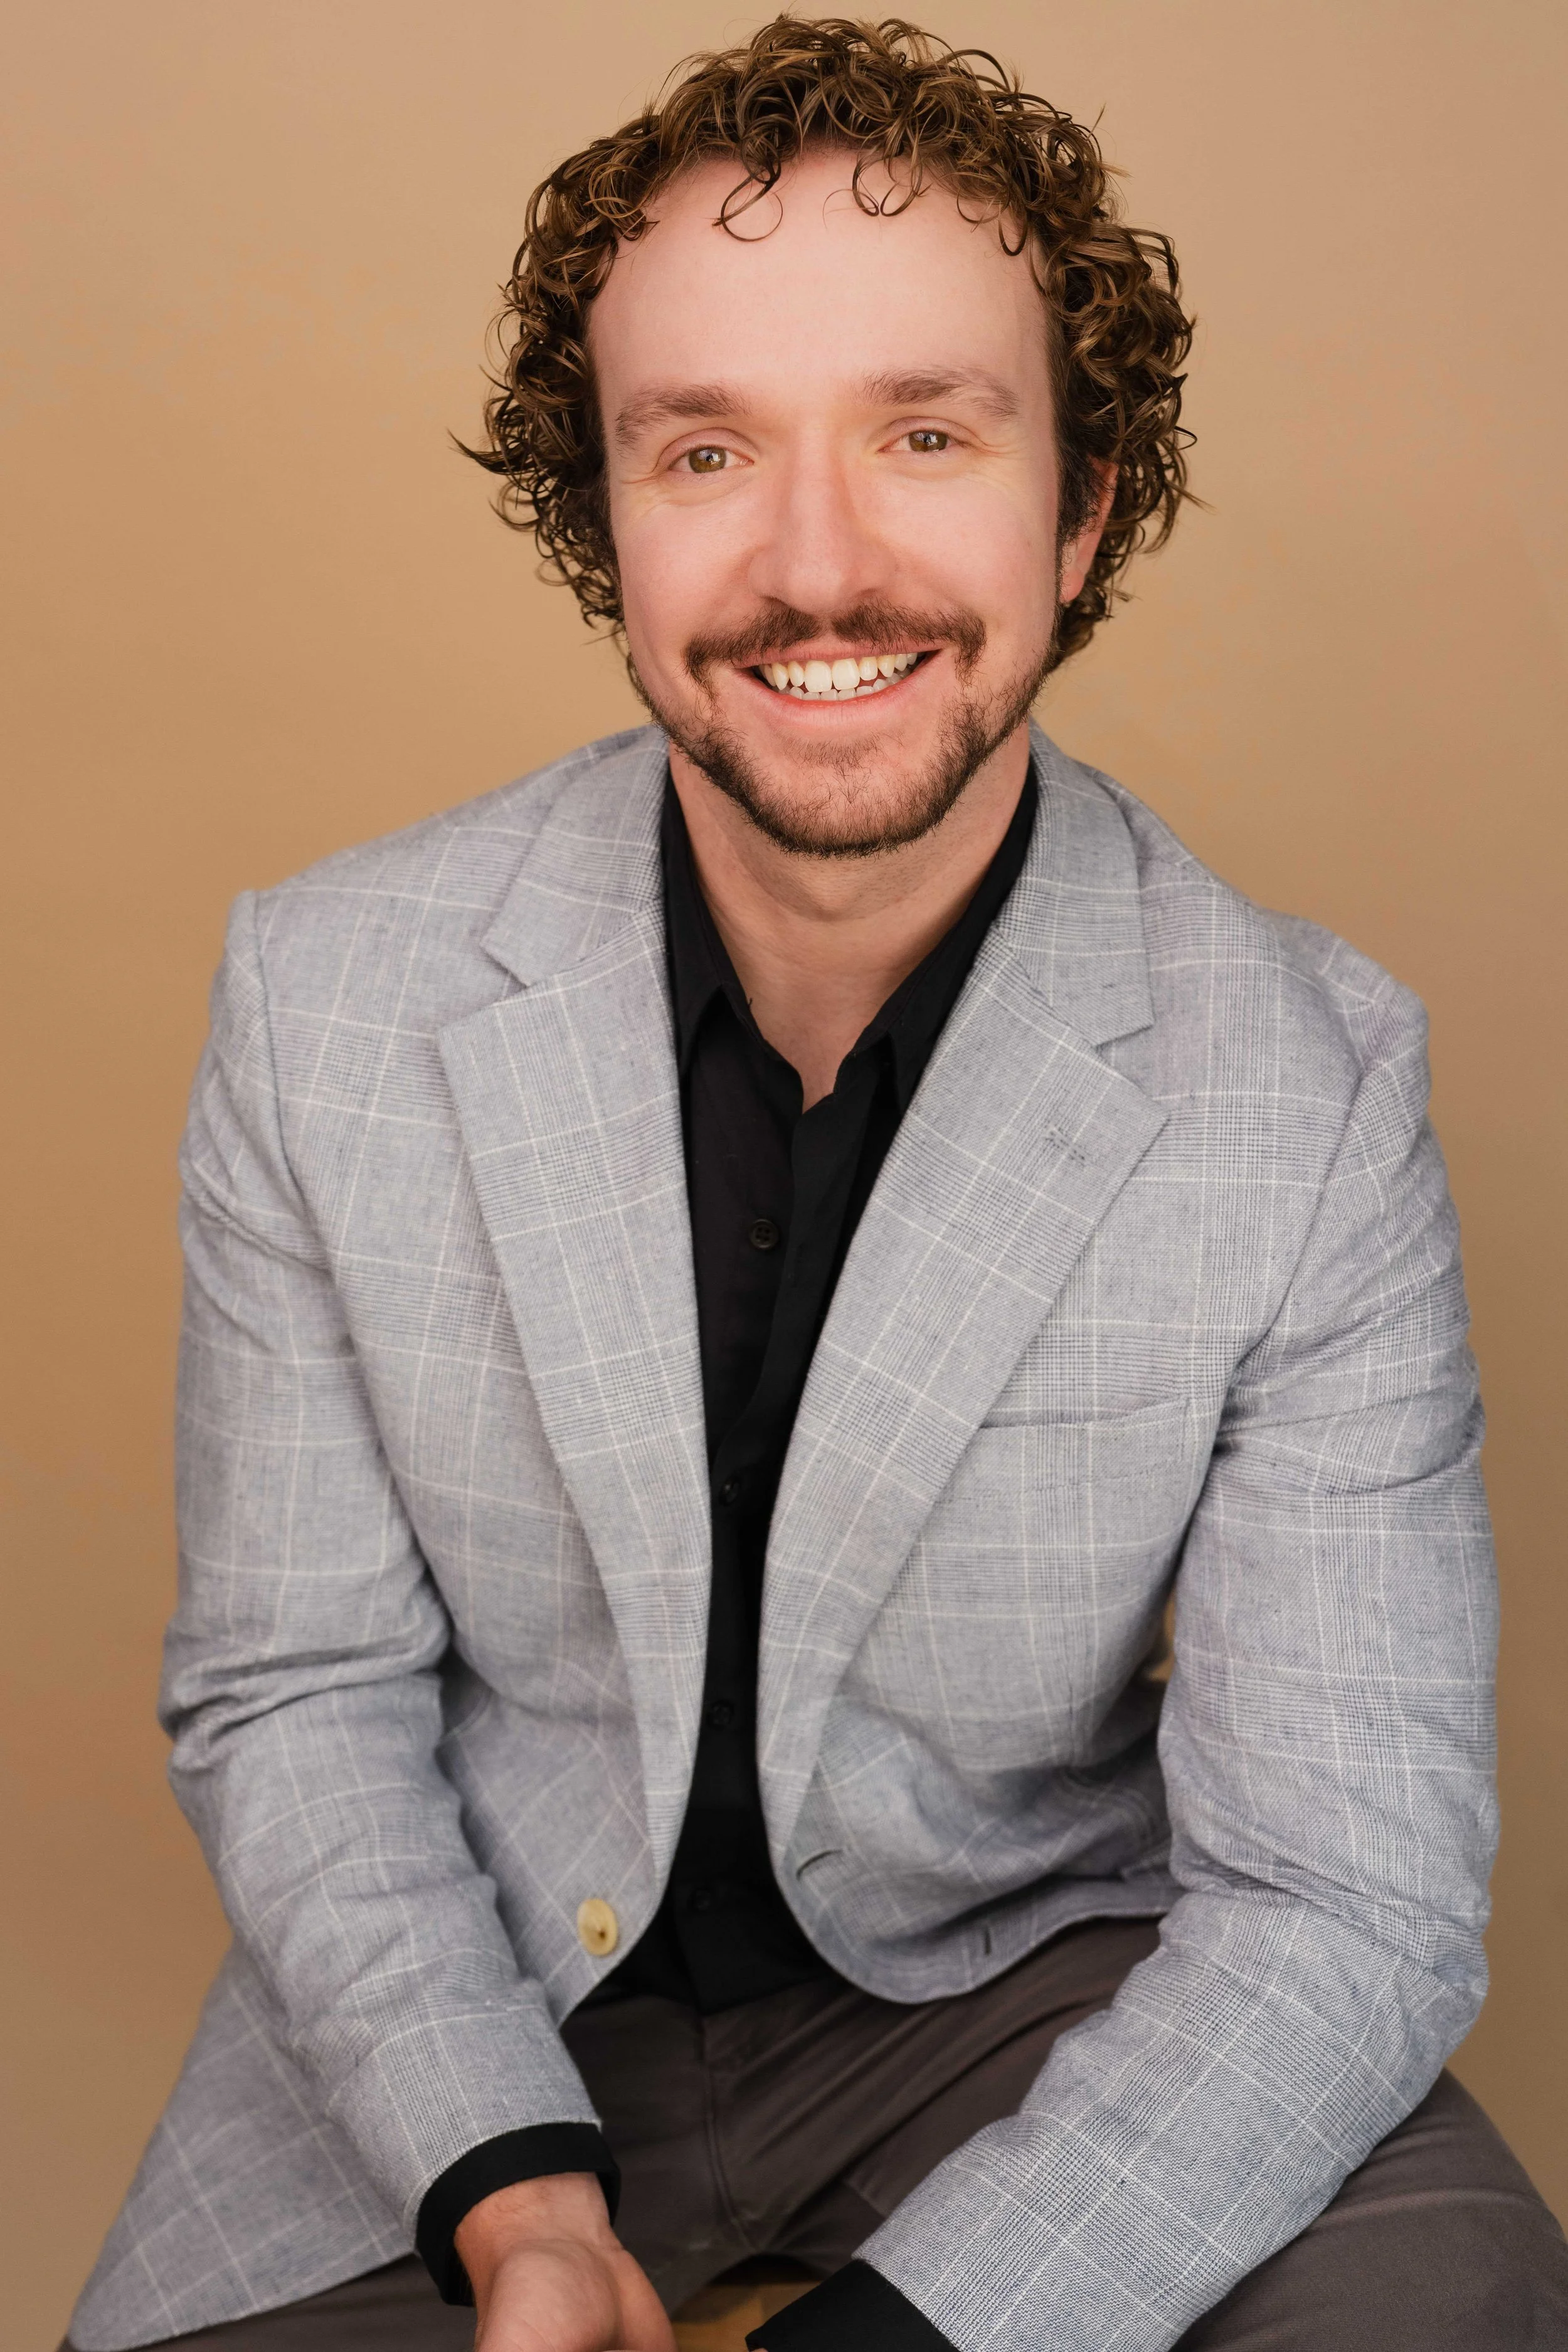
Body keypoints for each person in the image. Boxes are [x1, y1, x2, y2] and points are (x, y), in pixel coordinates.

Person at [67, 18, 1568, 2352]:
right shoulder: (328, 992)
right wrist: (513, 2206)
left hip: (1027, 1992)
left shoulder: (1306, 1082)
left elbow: (1342, 1896)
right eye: (702, 450)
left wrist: (920, 2333)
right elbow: (294, 1692)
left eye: (926, 434)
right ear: (608, 523)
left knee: (1465, 2307)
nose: (815, 558)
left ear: (1075, 510)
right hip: (471, 1994)